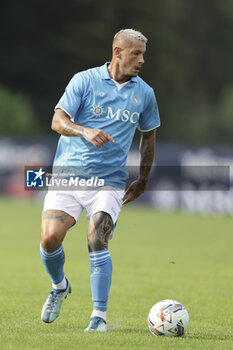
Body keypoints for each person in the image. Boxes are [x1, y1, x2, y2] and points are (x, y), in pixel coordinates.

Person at [40, 28, 160, 332]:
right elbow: (57, 121)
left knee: (97, 239)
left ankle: (99, 317)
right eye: (136, 53)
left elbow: (148, 138)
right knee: (50, 238)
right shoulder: (84, 80)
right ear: (117, 52)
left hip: (109, 180)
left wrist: (143, 179)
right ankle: (59, 286)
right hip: (69, 174)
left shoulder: (144, 93)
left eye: (144, 54)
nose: (142, 60)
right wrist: (85, 130)